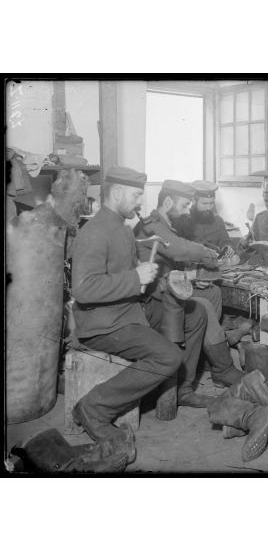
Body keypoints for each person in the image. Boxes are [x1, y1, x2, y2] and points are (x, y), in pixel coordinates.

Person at [70, 166, 194, 462]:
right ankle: (95, 407)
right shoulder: (96, 231)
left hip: (126, 310)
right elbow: (84, 289)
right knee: (168, 357)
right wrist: (135, 277)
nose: (140, 202)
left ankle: (182, 391)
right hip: (104, 324)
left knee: (196, 315)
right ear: (117, 192)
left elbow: (125, 275)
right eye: (137, 195)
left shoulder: (120, 227)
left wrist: (151, 278)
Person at [134, 180, 244, 393]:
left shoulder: (165, 225)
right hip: (151, 300)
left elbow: (171, 268)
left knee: (211, 292)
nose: (187, 211)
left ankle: (205, 361)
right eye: (184, 205)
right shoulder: (152, 227)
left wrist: (192, 277)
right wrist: (211, 255)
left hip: (165, 288)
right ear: (167, 202)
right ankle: (222, 367)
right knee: (202, 306)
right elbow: (178, 251)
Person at [173, 180, 234, 256]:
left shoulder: (218, 221)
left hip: (214, 262)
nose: (208, 208)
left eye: (211, 203)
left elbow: (225, 242)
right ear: (194, 201)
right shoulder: (183, 220)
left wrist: (227, 248)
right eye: (204, 204)